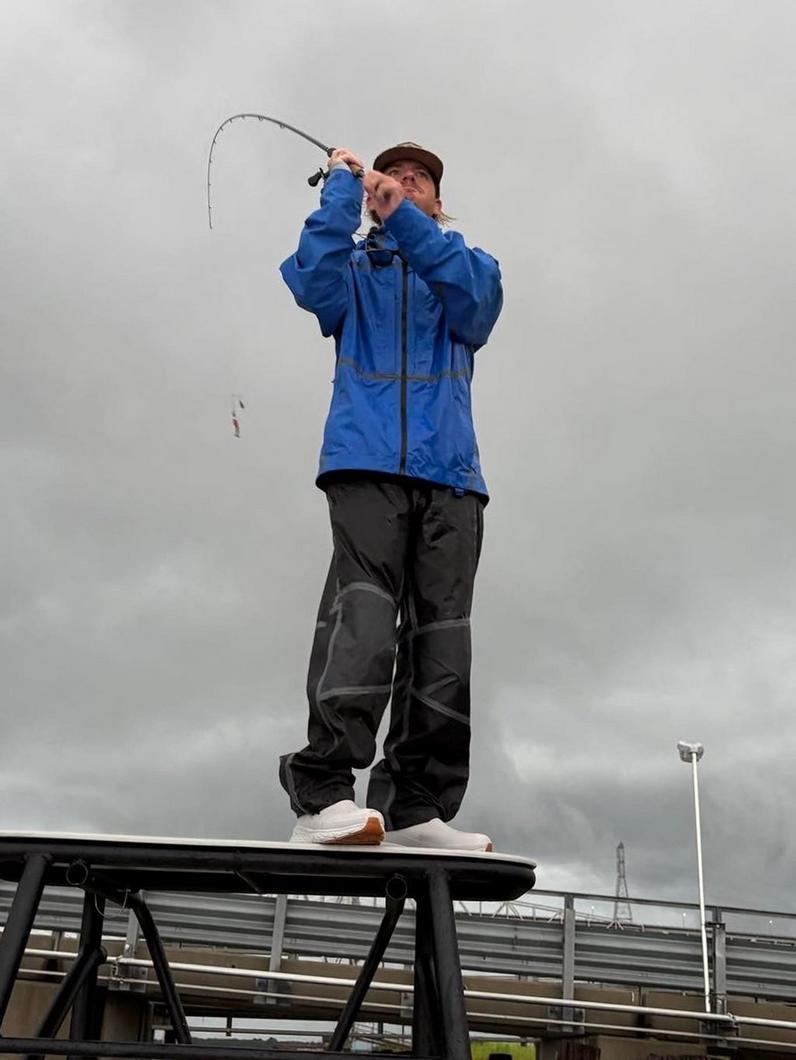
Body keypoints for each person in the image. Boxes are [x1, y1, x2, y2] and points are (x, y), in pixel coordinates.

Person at [278, 142, 503, 851]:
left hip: (453, 479)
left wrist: (404, 219)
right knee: (366, 623)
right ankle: (320, 794)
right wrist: (342, 192)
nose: (406, 184)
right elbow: (310, 280)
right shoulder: (352, 270)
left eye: (422, 181)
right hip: (364, 466)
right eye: (395, 176)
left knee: (443, 643)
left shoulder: (471, 266)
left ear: (438, 201)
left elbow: (477, 310)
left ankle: (414, 806)